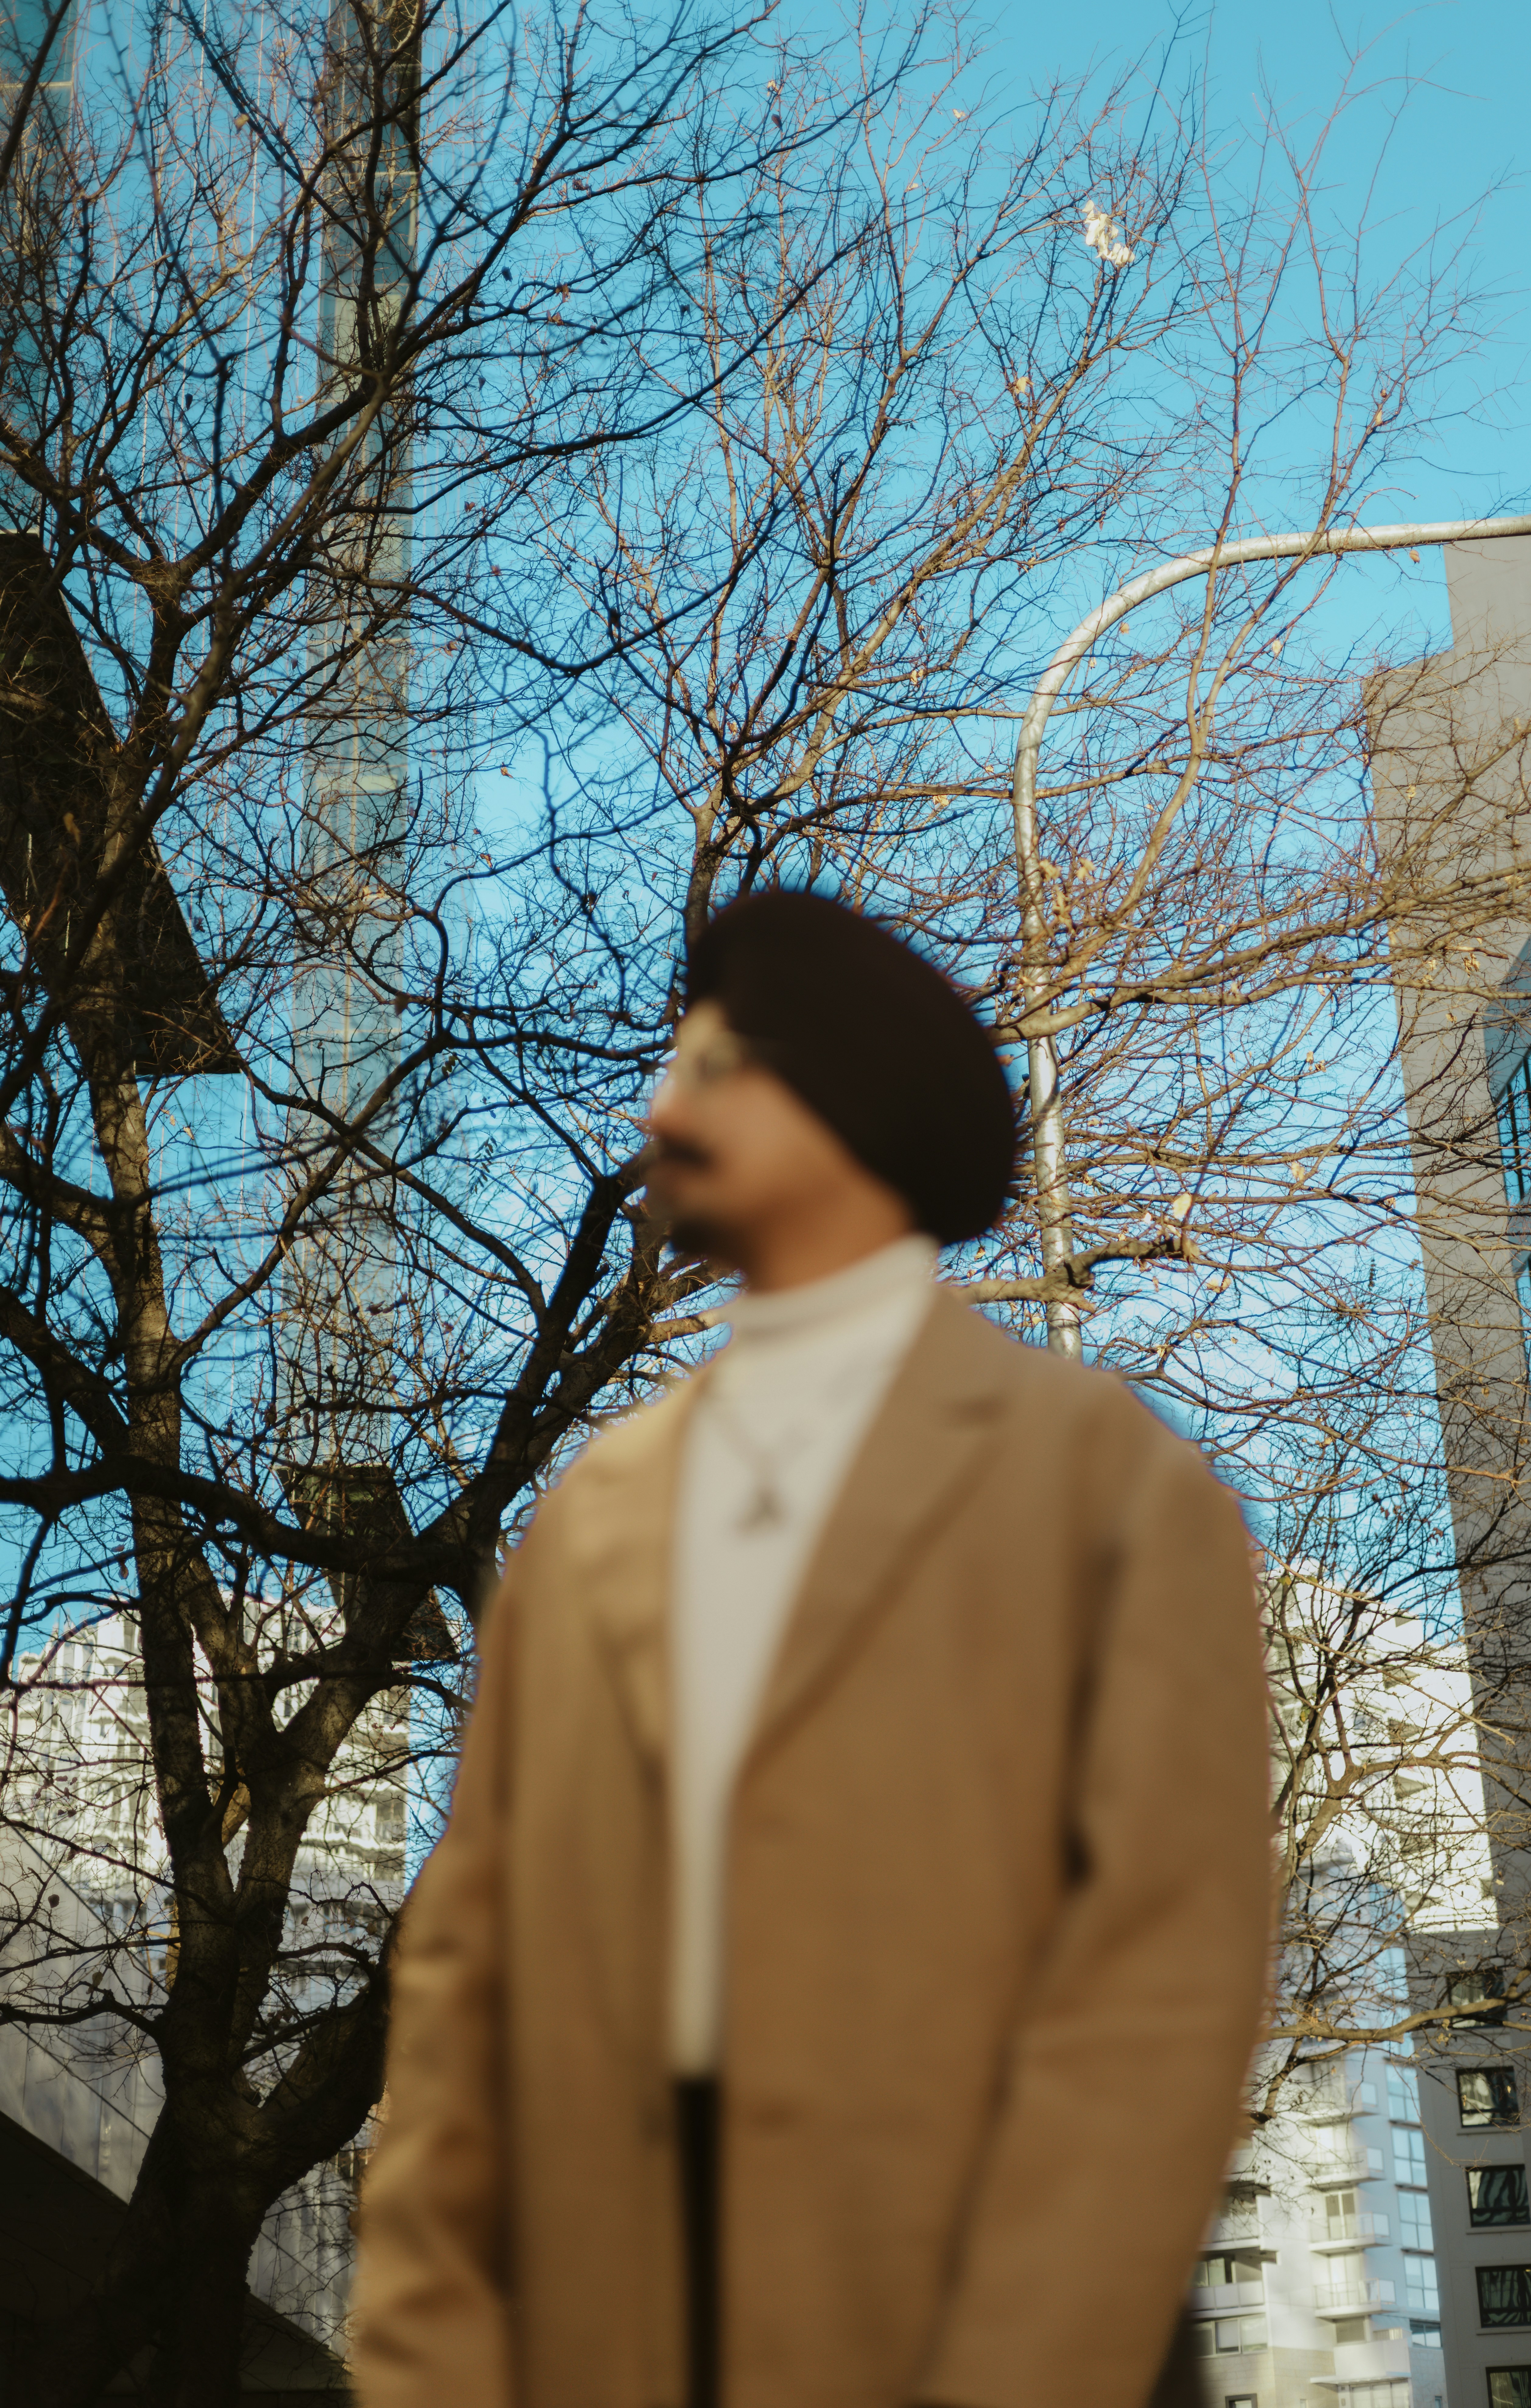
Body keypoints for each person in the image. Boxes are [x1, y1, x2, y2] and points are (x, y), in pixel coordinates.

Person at [352, 889, 1273, 2408]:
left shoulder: (1103, 1483)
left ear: (845, 1104)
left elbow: (1157, 1984)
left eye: (710, 1067)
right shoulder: (591, 1522)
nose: (659, 1106)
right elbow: (469, 1991)